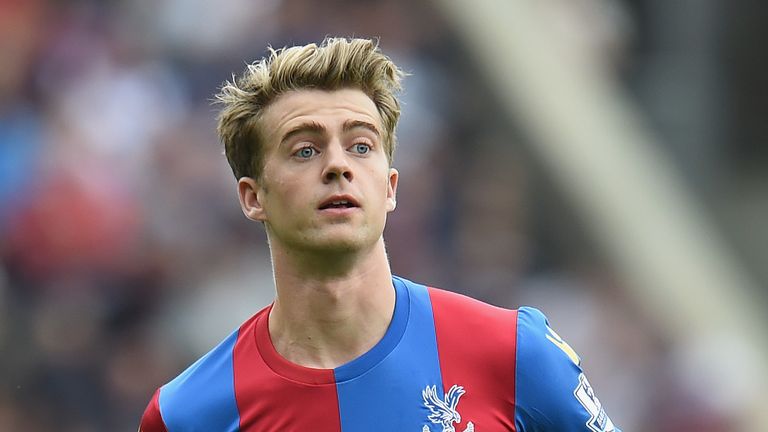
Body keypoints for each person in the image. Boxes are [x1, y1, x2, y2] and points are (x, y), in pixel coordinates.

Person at [139, 37, 620, 432]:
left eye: (361, 145)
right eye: (305, 150)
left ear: (389, 187)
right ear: (252, 197)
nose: (337, 166)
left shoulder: (516, 354)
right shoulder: (188, 414)